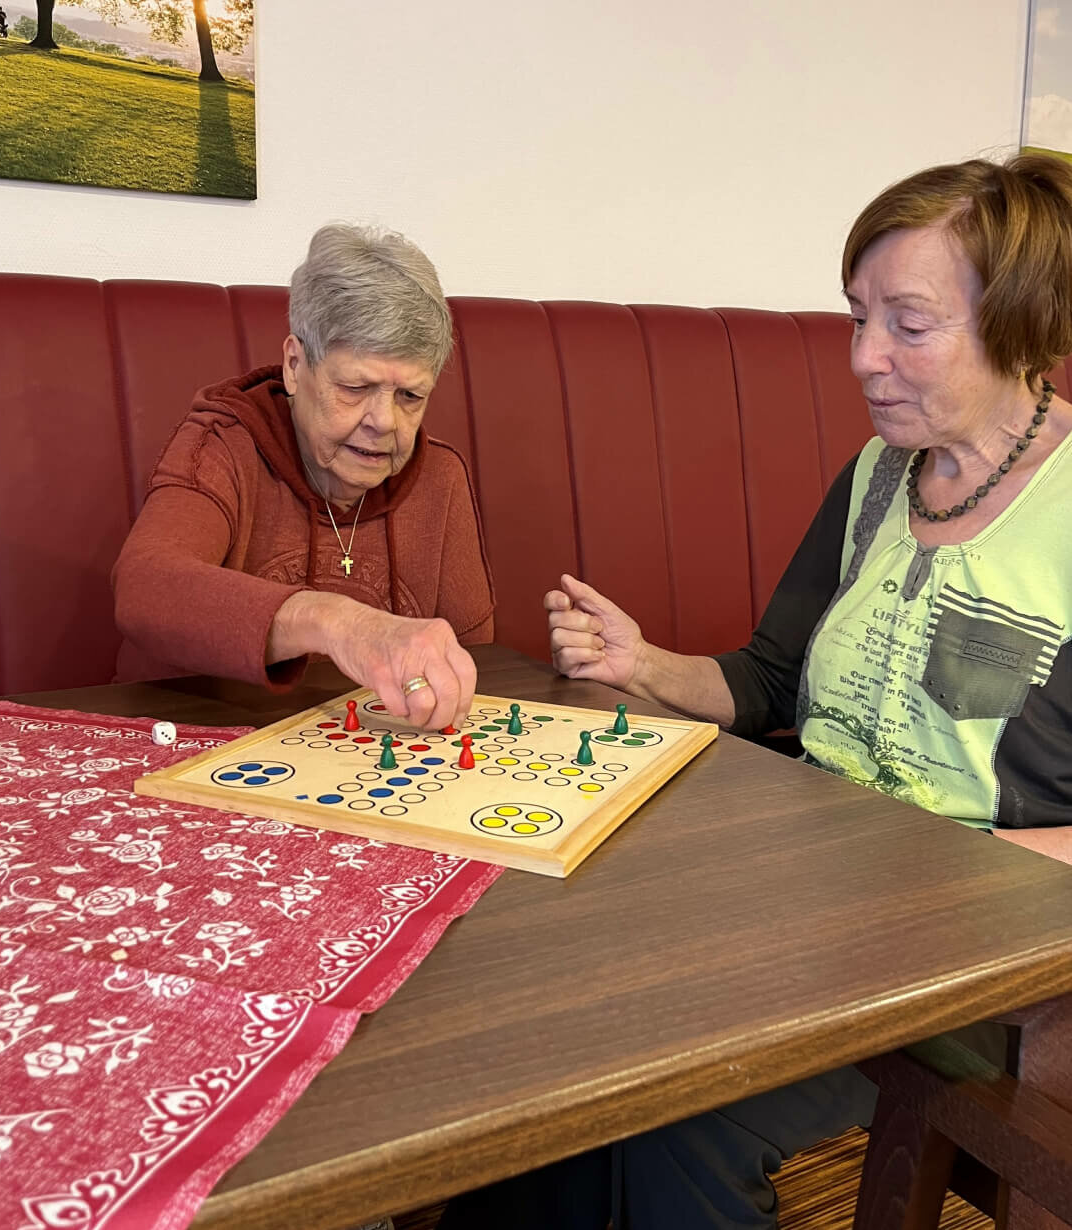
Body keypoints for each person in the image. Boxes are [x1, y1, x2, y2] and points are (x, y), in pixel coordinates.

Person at [442, 151, 1072, 1230]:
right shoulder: (881, 474)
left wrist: (923, 867)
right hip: (806, 895)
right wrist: (636, 662)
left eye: (906, 324)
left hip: (977, 957)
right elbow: (767, 678)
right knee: (548, 1029)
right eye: (854, 317)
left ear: (1017, 325)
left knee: (675, 1105)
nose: (863, 357)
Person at [113, 223, 494, 732]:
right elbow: (144, 589)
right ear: (295, 365)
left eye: (410, 397)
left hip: (372, 768)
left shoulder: (440, 476)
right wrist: (337, 623)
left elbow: (477, 664)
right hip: (197, 747)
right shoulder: (223, 444)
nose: (385, 421)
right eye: (356, 387)